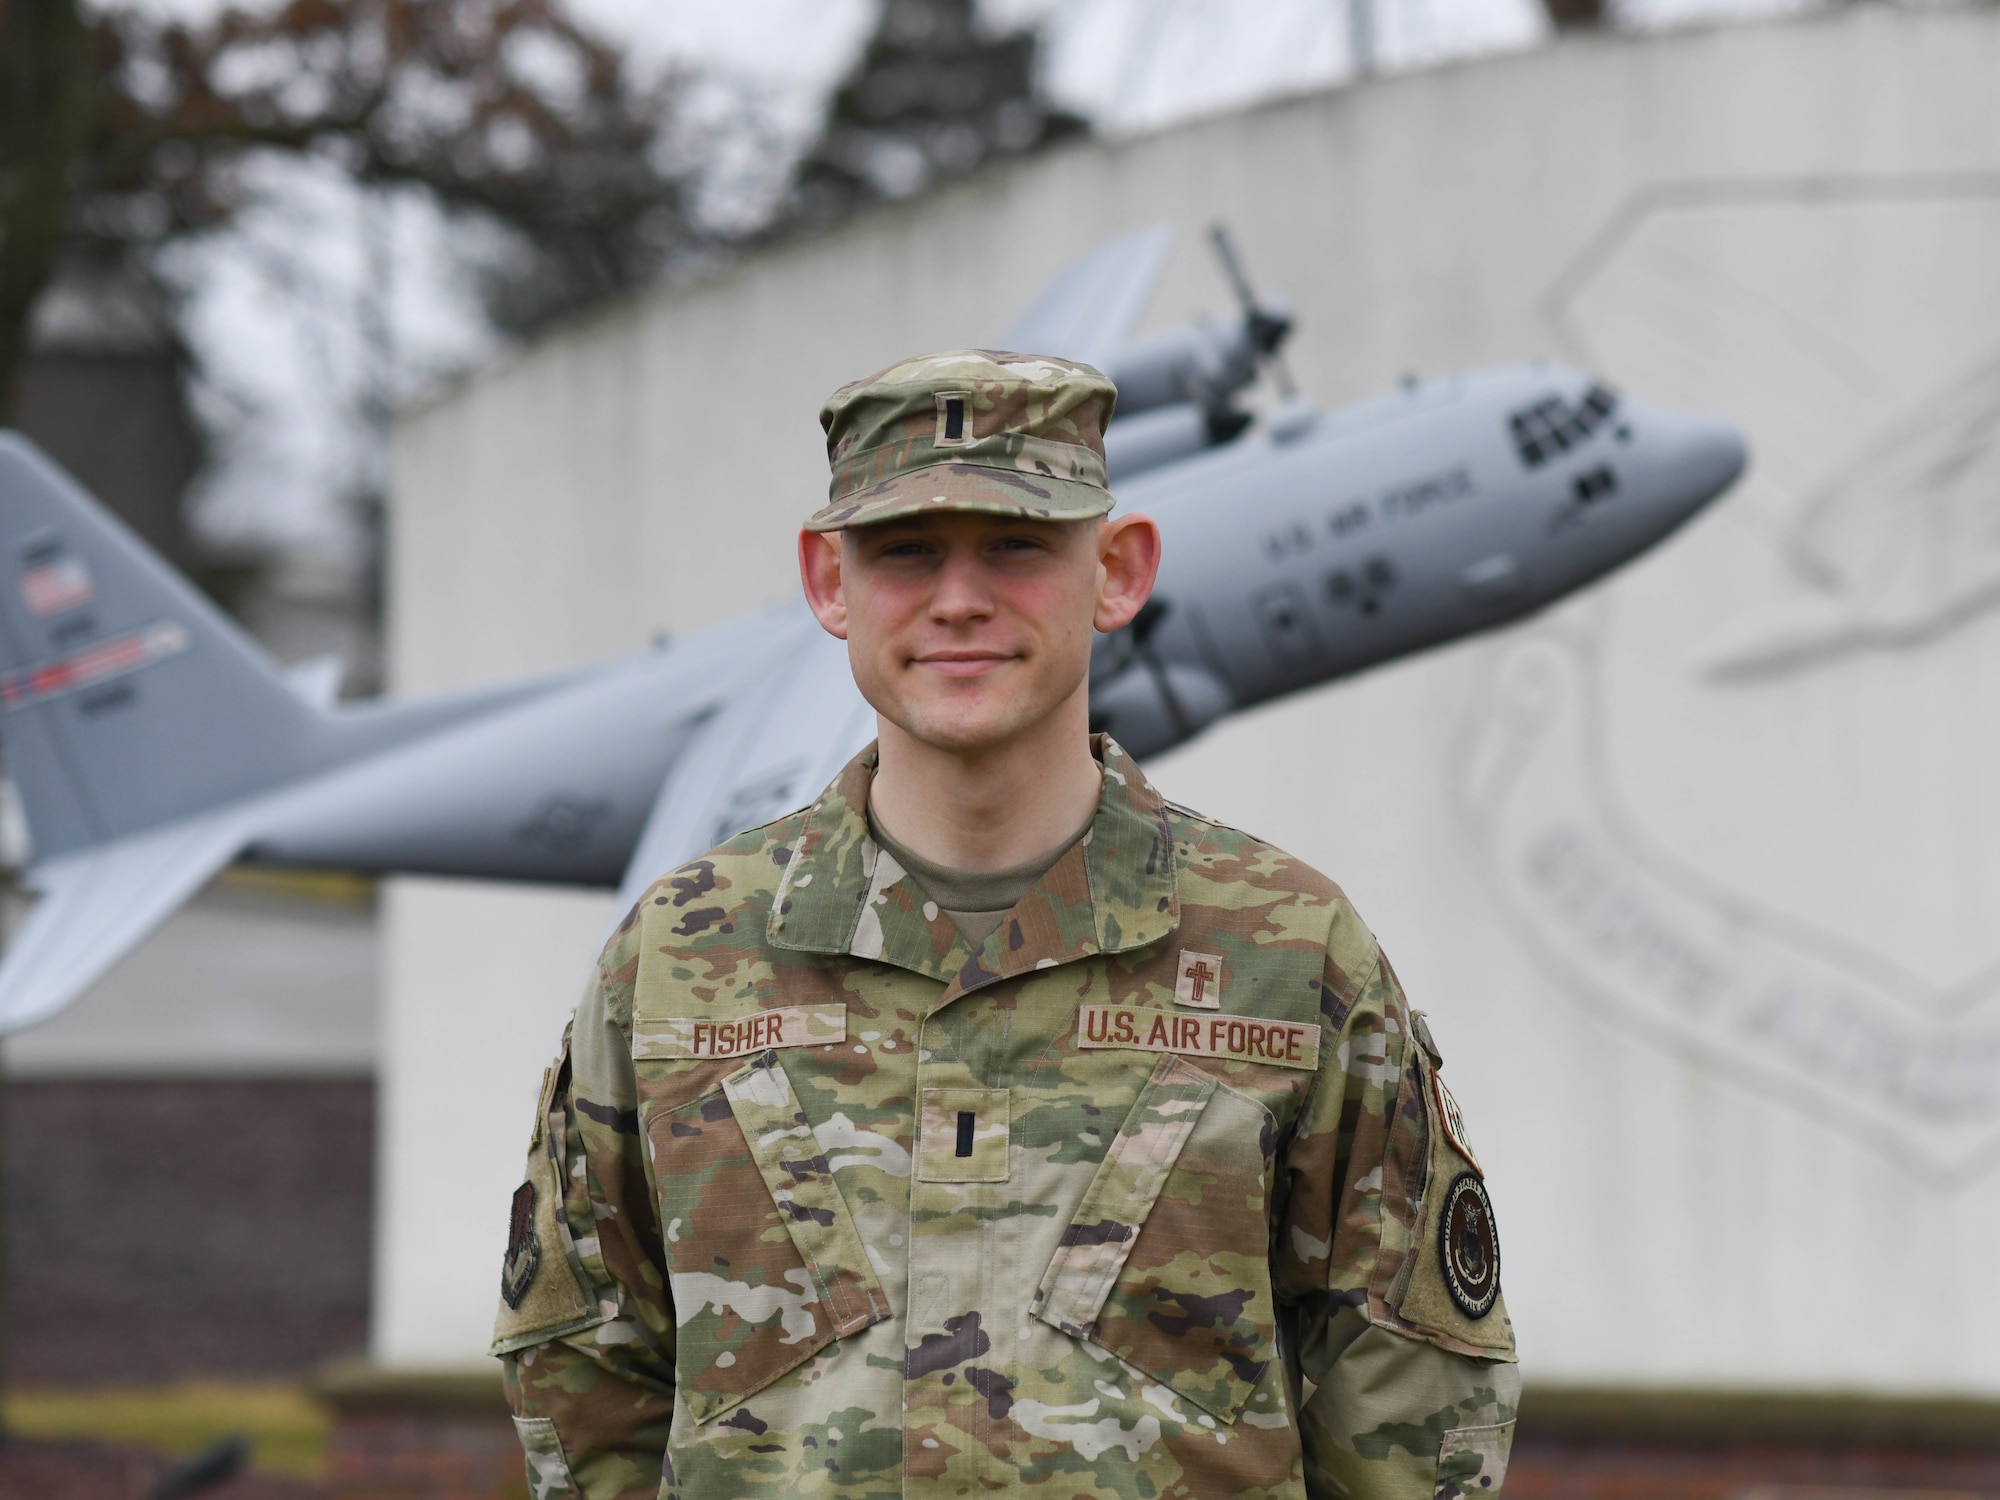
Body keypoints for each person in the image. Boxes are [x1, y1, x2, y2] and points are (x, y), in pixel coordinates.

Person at [491, 350, 1519, 1500]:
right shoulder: (681, 960)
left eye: (1018, 545)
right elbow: (583, 1380)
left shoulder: (1283, 951)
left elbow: (1409, 1407)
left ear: (1117, 572)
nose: (959, 599)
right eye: (905, 553)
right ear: (827, 583)